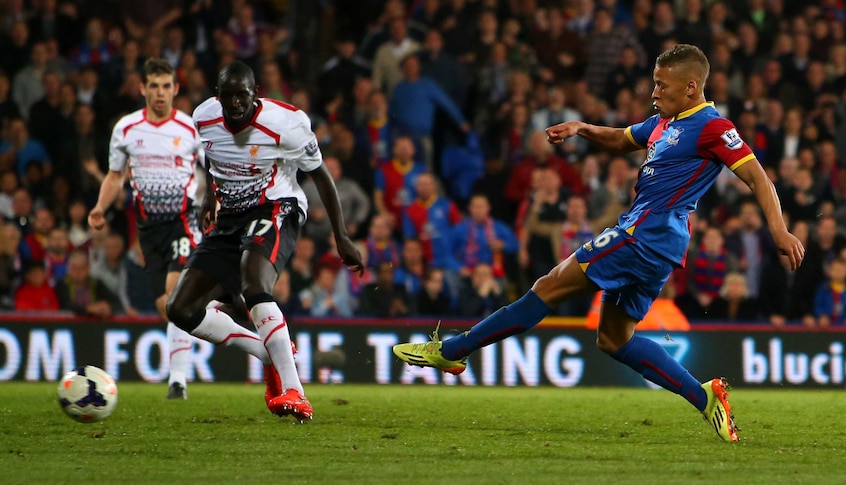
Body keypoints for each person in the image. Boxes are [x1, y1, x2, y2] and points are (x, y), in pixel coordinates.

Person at [394, 44, 805, 443]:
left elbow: (757, 177)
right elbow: (620, 139)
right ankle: (705, 397)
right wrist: (581, 128)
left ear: (691, 87)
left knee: (547, 288)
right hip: (658, 246)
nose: (654, 92)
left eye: (662, 85)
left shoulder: (714, 127)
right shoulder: (665, 123)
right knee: (613, 339)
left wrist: (779, 229)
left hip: (642, 236)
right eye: (654, 83)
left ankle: (452, 350)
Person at [166, 61, 364, 422]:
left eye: (242, 95)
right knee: (180, 309)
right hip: (229, 217)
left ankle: (296, 391)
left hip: (277, 206)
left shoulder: (286, 124)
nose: (235, 103)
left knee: (254, 284)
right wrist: (211, 195)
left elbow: (319, 175)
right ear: (217, 95)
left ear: (255, 93)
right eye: (227, 96)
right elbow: (212, 157)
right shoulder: (203, 118)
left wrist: (342, 237)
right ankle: (267, 352)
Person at [88, 58, 213, 401]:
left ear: (175, 89)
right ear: (143, 88)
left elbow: (213, 171)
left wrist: (214, 206)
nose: (160, 93)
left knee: (175, 295)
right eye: (153, 86)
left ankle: (178, 383)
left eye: (166, 86)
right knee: (167, 307)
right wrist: (100, 207)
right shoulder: (127, 129)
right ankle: (211, 315)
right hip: (149, 229)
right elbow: (115, 177)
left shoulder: (189, 129)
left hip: (183, 222)